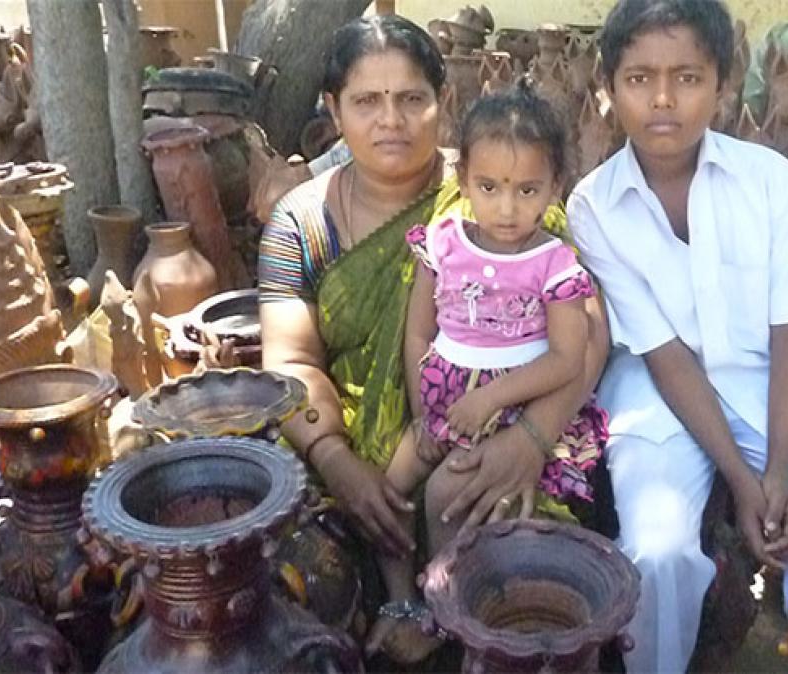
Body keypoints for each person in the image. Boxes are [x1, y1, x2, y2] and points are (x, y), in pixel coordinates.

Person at [257, 14, 610, 664]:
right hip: (366, 444)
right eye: (367, 101)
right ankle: (400, 602)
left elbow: (589, 332)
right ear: (333, 110)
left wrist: (528, 440)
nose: (391, 118)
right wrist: (339, 462)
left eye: (411, 98)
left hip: (517, 418)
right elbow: (290, 363)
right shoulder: (300, 221)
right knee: (299, 576)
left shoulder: (499, 184)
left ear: (442, 104)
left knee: (528, 572)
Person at [567, 1, 788, 671]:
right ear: (608, 87)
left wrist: (777, 472)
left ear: (723, 83)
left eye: (687, 77)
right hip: (657, 388)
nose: (663, 100)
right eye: (639, 78)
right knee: (655, 553)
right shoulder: (593, 205)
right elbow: (664, 356)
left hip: (770, 382)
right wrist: (747, 486)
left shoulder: (774, 184)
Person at [372, 77, 609, 652]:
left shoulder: (553, 263)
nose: (507, 208)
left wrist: (492, 401)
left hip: (514, 408)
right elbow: (419, 329)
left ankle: (452, 614)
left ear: (556, 186)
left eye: (528, 190)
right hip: (445, 403)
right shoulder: (444, 243)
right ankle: (399, 596)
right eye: (490, 186)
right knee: (388, 493)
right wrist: (426, 408)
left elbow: (566, 359)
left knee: (446, 501)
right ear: (463, 180)